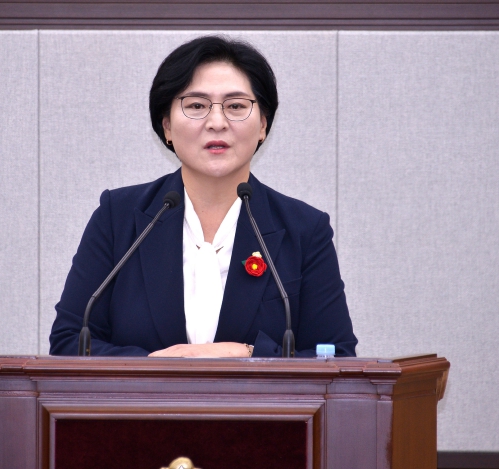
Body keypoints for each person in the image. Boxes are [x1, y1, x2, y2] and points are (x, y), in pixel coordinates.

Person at [49, 36, 357, 358]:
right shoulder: (119, 218)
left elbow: (336, 356)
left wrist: (249, 354)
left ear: (263, 125)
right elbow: (70, 341)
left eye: (236, 106)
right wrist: (154, 367)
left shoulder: (304, 230)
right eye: (196, 106)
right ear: (167, 126)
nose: (217, 123)